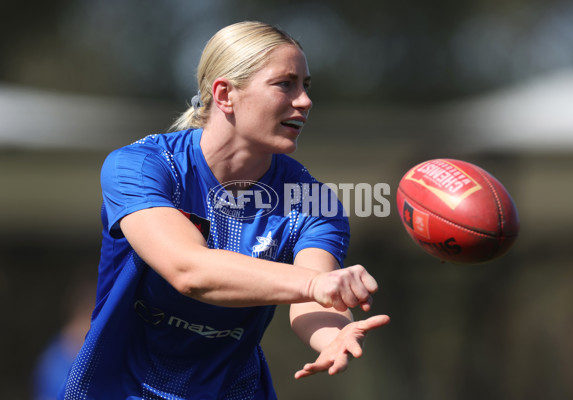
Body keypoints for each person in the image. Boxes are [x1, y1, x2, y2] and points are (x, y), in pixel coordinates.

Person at [59, 21, 390, 399]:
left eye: (306, 86)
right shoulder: (141, 166)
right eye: (286, 84)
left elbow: (314, 295)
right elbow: (189, 270)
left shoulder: (314, 201)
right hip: (120, 389)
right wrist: (315, 285)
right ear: (225, 94)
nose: (304, 100)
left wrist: (333, 335)